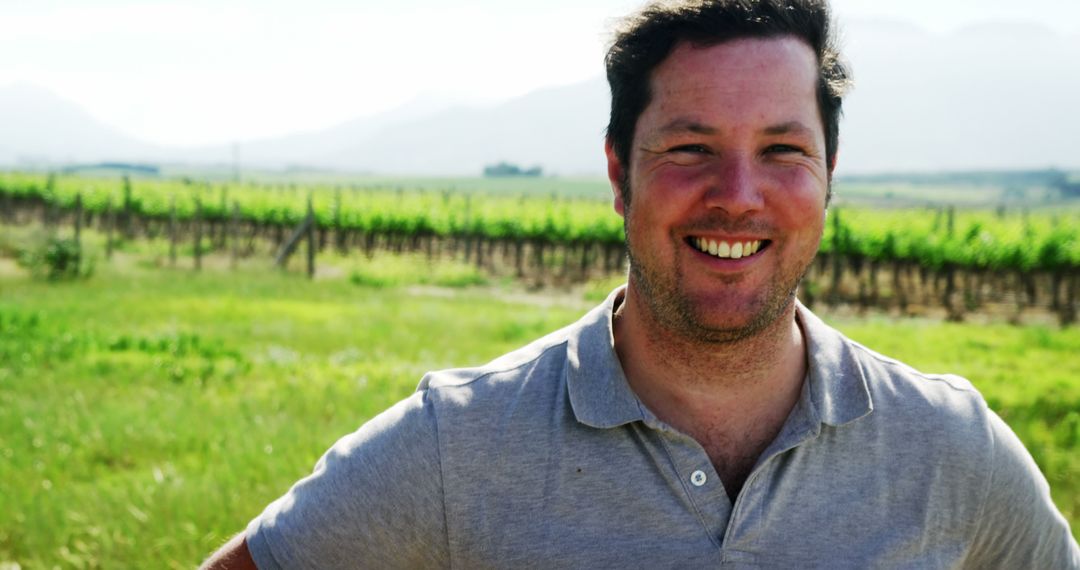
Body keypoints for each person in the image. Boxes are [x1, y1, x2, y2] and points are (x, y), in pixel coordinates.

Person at [203, 1, 1080, 568]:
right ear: (621, 175)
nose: (738, 197)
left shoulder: (950, 448)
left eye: (782, 150)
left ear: (829, 174)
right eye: (690, 148)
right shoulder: (457, 447)